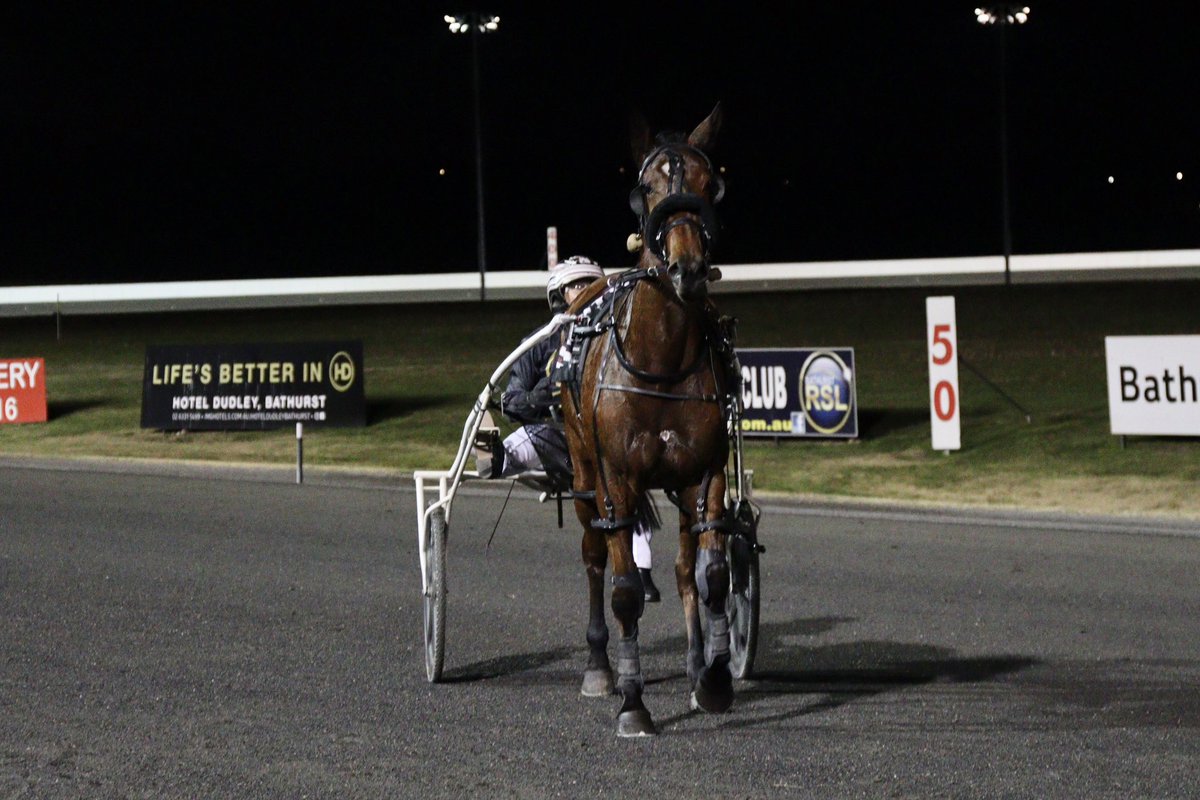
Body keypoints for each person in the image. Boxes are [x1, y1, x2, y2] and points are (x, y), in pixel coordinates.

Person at [476, 255, 661, 602]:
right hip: (558, 437)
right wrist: (545, 395)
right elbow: (513, 398)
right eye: (577, 284)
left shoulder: (613, 341)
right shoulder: (540, 342)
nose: (585, 290)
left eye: (591, 282)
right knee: (529, 439)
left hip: (606, 439)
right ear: (559, 294)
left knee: (624, 482)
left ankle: (642, 571)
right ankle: (494, 457)